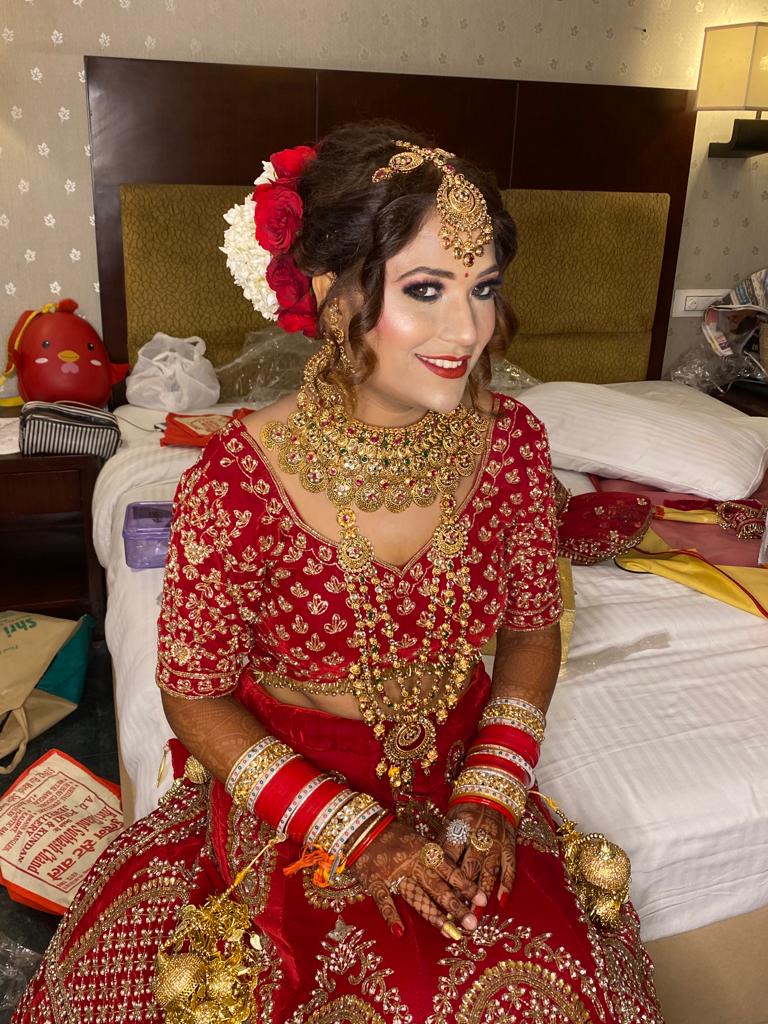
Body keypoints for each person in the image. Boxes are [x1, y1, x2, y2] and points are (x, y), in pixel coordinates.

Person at [13, 122, 663, 1024]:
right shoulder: (235, 483)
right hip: (297, 786)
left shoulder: (513, 445)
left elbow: (530, 630)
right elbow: (194, 696)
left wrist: (492, 788)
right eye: (426, 289)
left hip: (462, 772)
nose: (469, 329)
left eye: (482, 288)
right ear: (331, 294)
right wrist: (354, 832)